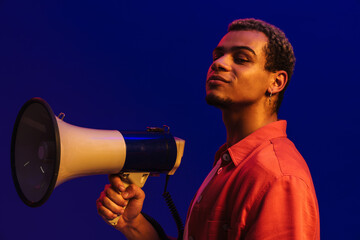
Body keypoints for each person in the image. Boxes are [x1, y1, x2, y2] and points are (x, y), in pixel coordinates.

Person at [96, 18, 320, 240]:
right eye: (217, 55)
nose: (219, 63)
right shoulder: (233, 163)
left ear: (276, 82)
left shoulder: (278, 178)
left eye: (241, 59)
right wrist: (133, 225)